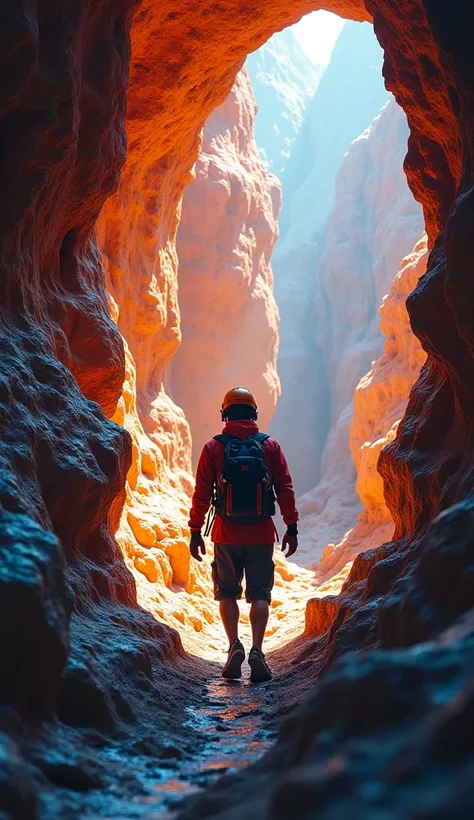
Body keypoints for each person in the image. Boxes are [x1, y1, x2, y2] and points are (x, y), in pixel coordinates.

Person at [188, 386, 298, 682]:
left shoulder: (214, 447)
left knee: (227, 593)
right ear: (253, 413)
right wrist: (292, 527)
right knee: (260, 594)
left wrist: (195, 530)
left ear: (225, 413)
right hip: (262, 533)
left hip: (226, 534)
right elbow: (285, 489)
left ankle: (234, 645)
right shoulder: (269, 446)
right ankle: (258, 651)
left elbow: (201, 493)